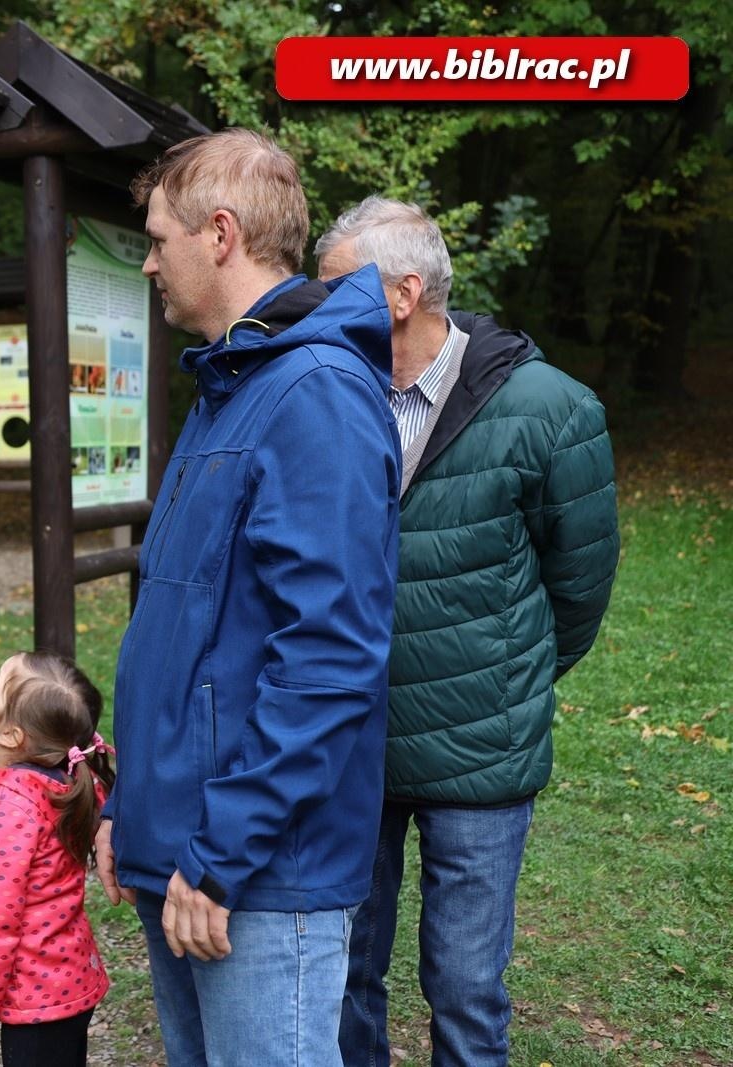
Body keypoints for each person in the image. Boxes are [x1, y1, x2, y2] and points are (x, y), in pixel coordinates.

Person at [93, 128, 401, 1066]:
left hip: (258, 879)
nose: (148, 262)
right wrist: (130, 807)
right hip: (188, 851)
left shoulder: (316, 394)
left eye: (157, 238)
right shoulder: (235, 383)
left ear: (219, 233)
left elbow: (331, 656)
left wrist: (223, 851)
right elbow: (192, 628)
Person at [315, 197, 620, 1067]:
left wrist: (505, 676)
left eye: (337, 290)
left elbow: (579, 583)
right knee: (345, 970)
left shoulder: (551, 408)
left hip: (480, 748)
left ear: (403, 295)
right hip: (353, 738)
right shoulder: (328, 398)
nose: (316, 305)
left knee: (466, 986)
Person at [0, 651, 116, 1067]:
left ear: (11, 736)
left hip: (37, 1001)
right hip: (69, 980)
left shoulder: (4, 808)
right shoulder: (60, 781)